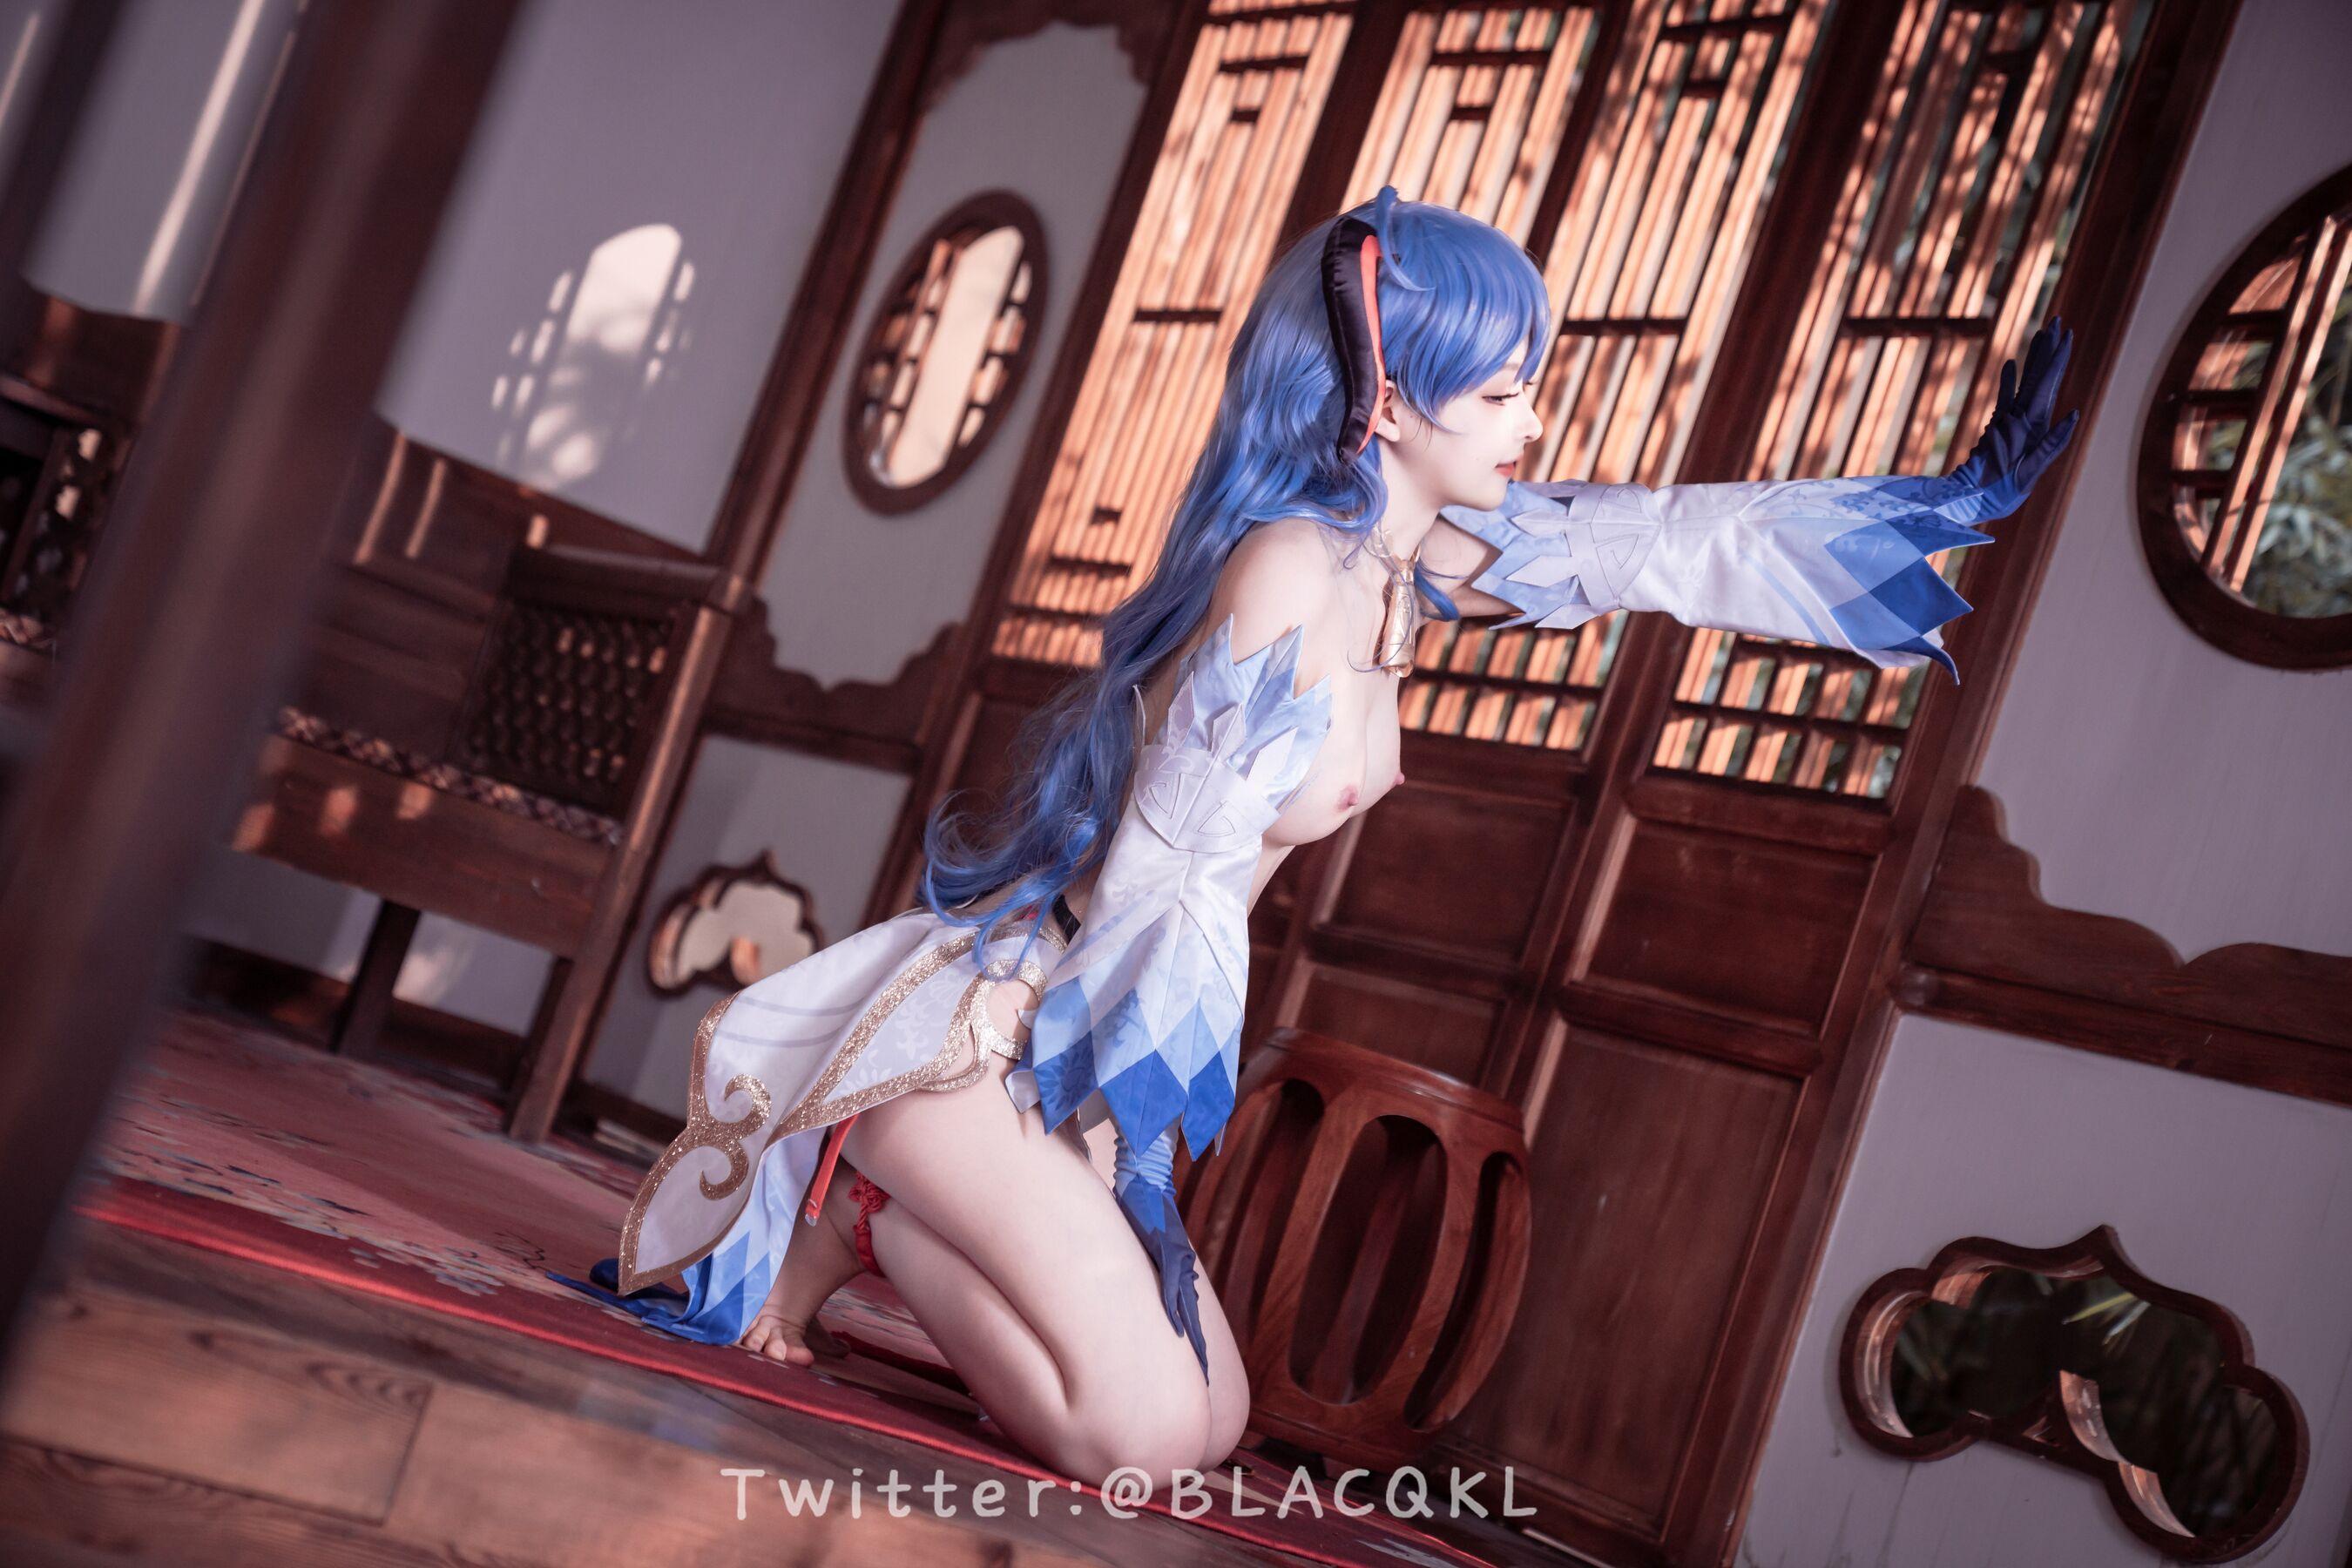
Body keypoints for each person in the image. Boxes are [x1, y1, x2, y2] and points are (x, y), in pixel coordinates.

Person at [552, 188, 2078, 1488]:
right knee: (1147, 1433)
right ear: (1392, 404)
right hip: (1009, 1037)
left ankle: (877, 1224)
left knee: (1216, 1420)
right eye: (1505, 393)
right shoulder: (1289, 568)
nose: (1535, 422)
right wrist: (1123, 1153)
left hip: (1080, 1031)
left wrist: (1947, 500)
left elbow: (1666, 544)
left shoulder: (1415, 563)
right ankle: (869, 1159)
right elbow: (1159, 887)